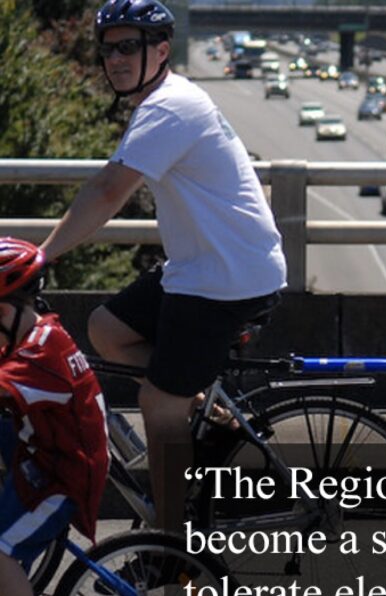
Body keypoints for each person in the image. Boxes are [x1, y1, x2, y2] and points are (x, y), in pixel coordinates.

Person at [38, 0, 287, 530]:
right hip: (203, 267)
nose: (116, 59)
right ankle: (207, 405)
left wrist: (40, 256)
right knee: (107, 329)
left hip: (225, 278)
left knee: (159, 404)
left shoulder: (171, 107)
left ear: (162, 50)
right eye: (108, 49)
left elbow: (108, 193)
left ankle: (173, 542)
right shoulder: (161, 101)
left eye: (129, 46)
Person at [0, 239, 109, 596]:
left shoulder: (36, 355)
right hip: (43, 456)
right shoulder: (38, 333)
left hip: (63, 479)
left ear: (5, 312)